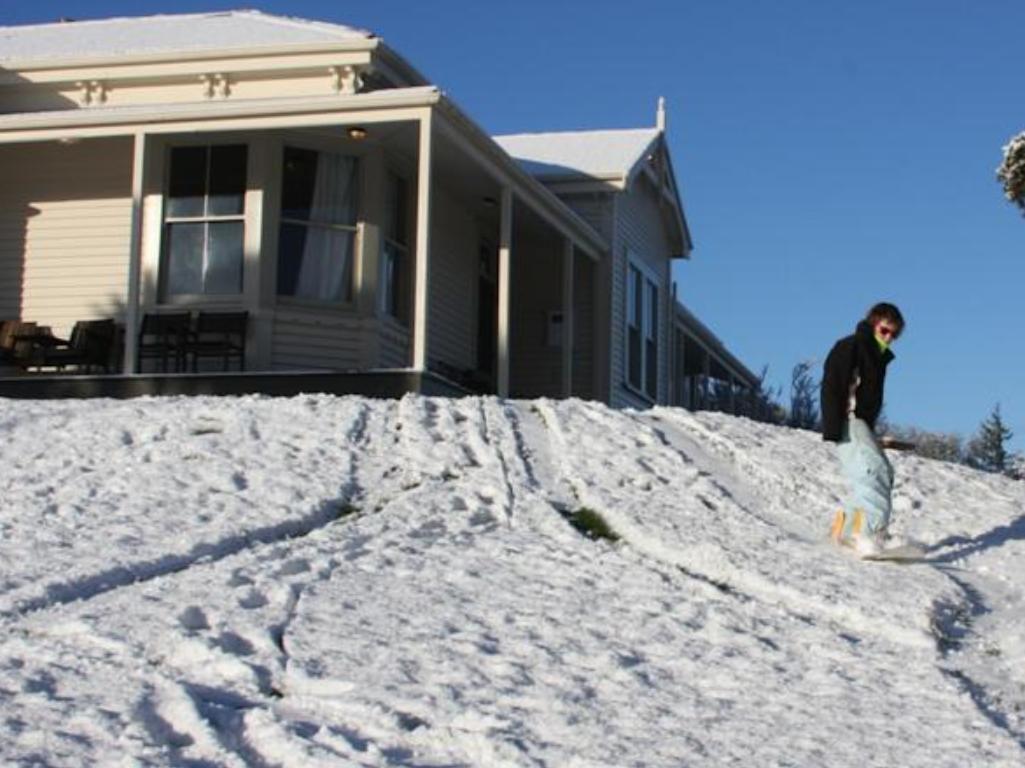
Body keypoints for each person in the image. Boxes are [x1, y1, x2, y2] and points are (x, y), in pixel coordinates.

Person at [820, 302, 904, 556]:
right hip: (849, 420)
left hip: (859, 423)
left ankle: (845, 531)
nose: (889, 338)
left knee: (875, 474)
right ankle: (869, 536)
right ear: (872, 323)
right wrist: (835, 424)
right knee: (875, 472)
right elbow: (832, 384)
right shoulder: (853, 346)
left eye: (894, 334)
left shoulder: (877, 357)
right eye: (884, 330)